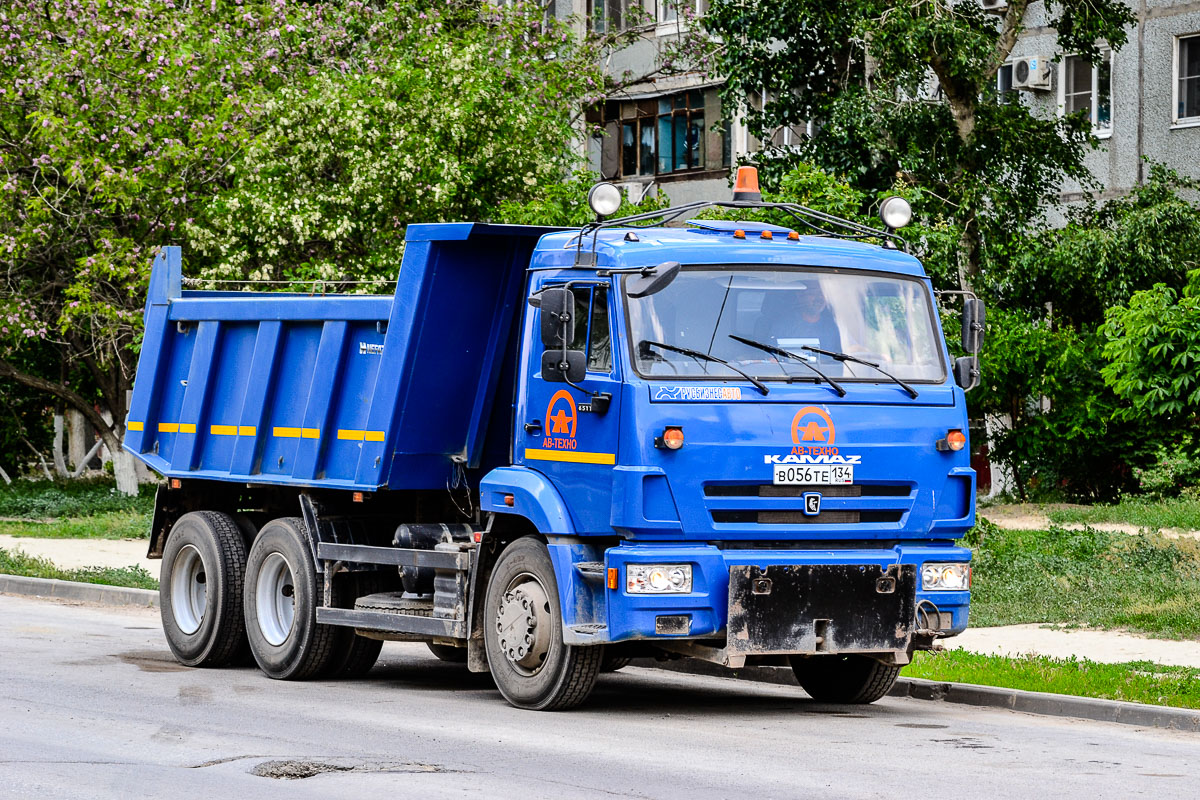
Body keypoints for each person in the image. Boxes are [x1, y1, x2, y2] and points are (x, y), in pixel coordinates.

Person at [755, 281, 842, 355]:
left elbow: (851, 350)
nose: (819, 298)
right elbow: (771, 357)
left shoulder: (834, 326)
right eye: (813, 293)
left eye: (822, 294)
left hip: (831, 374)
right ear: (800, 296)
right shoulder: (783, 325)